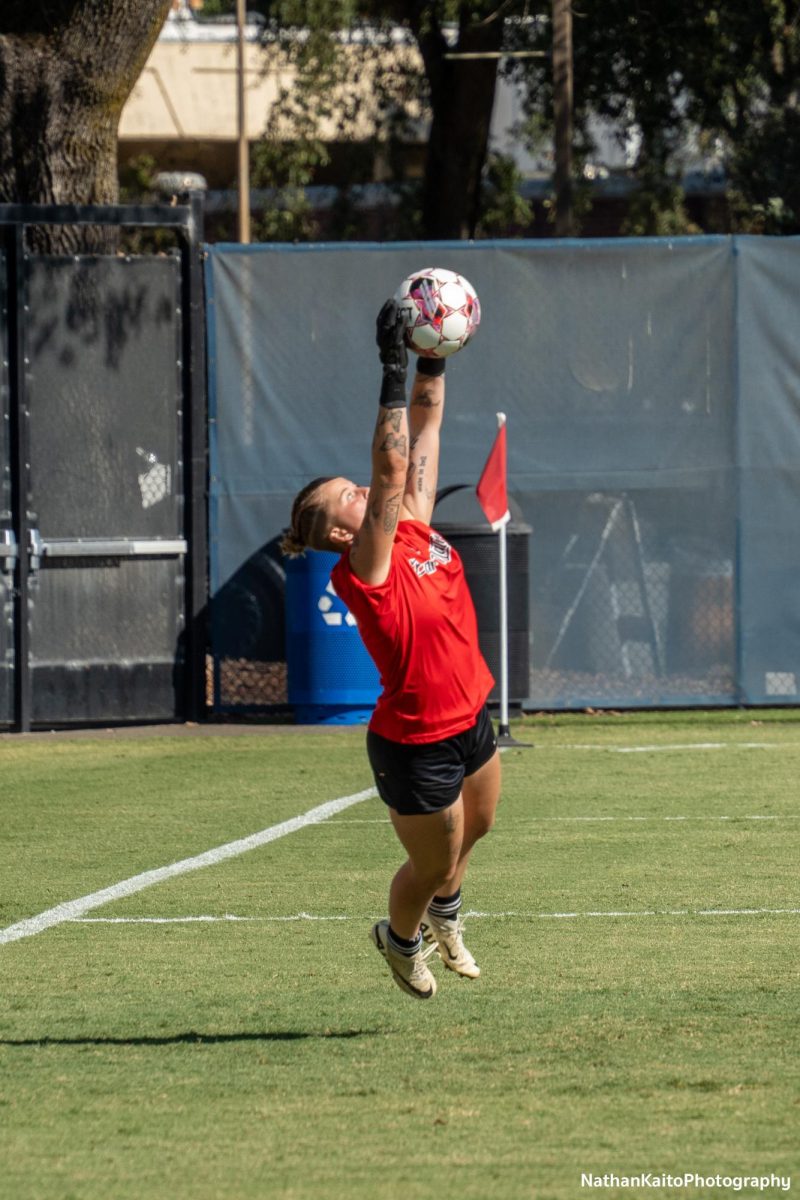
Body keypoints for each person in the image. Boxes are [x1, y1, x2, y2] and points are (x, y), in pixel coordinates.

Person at [280, 298, 501, 1000]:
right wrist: (389, 365)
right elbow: (388, 470)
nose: (363, 489)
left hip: (469, 713)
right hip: (416, 742)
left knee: (479, 829)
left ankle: (447, 916)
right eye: (345, 495)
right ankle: (401, 942)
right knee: (430, 865)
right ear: (341, 532)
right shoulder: (364, 565)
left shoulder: (410, 525)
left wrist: (433, 351)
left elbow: (427, 424)